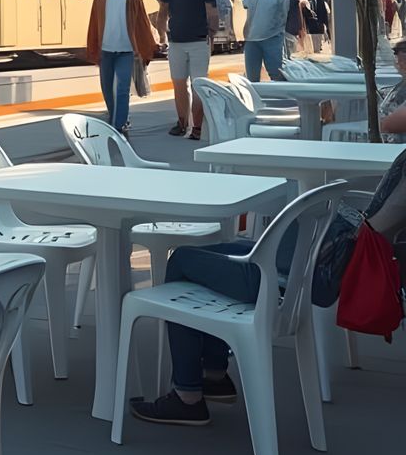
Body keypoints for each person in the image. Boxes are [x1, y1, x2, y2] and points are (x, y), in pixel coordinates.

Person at [133, 116, 406, 428]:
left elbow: (374, 225)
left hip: (284, 278)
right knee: (218, 250)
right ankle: (214, 375)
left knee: (181, 260)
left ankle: (187, 396)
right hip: (302, 268)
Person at [151, 0, 218, 140]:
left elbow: (211, 12)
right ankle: (182, 122)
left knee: (198, 86)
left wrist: (211, 37)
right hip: (177, 43)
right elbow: (162, 11)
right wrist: (162, 34)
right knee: (179, 84)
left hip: (198, 41)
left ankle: (197, 126)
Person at [84, 0, 156, 135]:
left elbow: (143, 27)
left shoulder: (134, 1)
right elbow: (94, 25)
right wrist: (93, 49)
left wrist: (146, 50)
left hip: (126, 52)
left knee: (123, 88)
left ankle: (118, 125)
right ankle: (114, 117)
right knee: (107, 89)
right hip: (106, 51)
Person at [240, 0, 291, 83]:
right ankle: (255, 100)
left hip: (272, 39)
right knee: (252, 77)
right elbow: (245, 4)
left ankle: (282, 100)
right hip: (252, 39)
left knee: (276, 74)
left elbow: (283, 17)